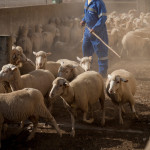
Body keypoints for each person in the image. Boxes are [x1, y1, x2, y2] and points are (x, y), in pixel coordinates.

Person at [80, 0, 108, 77]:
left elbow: (103, 17)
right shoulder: (87, 1)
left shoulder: (99, 3)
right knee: (85, 50)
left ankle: (102, 73)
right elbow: (87, 14)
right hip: (88, 31)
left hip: (97, 32)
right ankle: (87, 70)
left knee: (101, 52)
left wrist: (95, 28)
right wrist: (83, 20)